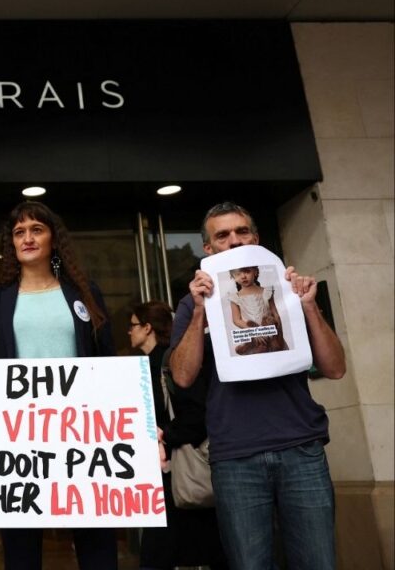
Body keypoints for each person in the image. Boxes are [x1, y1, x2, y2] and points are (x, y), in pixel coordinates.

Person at [170, 201, 346, 570]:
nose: (234, 240)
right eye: (222, 236)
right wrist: (200, 311)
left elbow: (335, 368)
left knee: (318, 562)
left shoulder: (287, 290)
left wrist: (308, 306)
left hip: (301, 444)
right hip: (235, 454)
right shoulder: (192, 304)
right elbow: (183, 376)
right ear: (208, 249)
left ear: (256, 238)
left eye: (242, 231)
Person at [0, 200, 118, 570]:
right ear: (11, 243)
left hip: (83, 432)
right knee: (21, 545)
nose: (28, 238)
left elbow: (108, 364)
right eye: (19, 232)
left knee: (96, 539)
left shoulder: (84, 292)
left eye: (37, 229)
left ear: (53, 238)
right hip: (18, 434)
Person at [129, 302, 228, 570]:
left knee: (160, 551)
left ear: (147, 328)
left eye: (133, 325)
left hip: (176, 468)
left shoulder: (169, 362)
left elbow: (196, 414)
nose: (128, 331)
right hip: (170, 468)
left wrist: (164, 436)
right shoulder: (149, 364)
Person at [228, 266, 288, 355]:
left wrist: (279, 335)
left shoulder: (267, 292)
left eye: (247, 272)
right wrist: (254, 331)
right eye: (238, 274)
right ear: (233, 277)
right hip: (253, 334)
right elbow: (236, 320)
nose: (243, 276)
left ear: (255, 272)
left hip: (271, 332)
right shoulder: (235, 297)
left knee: (275, 352)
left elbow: (276, 315)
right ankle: (255, 346)